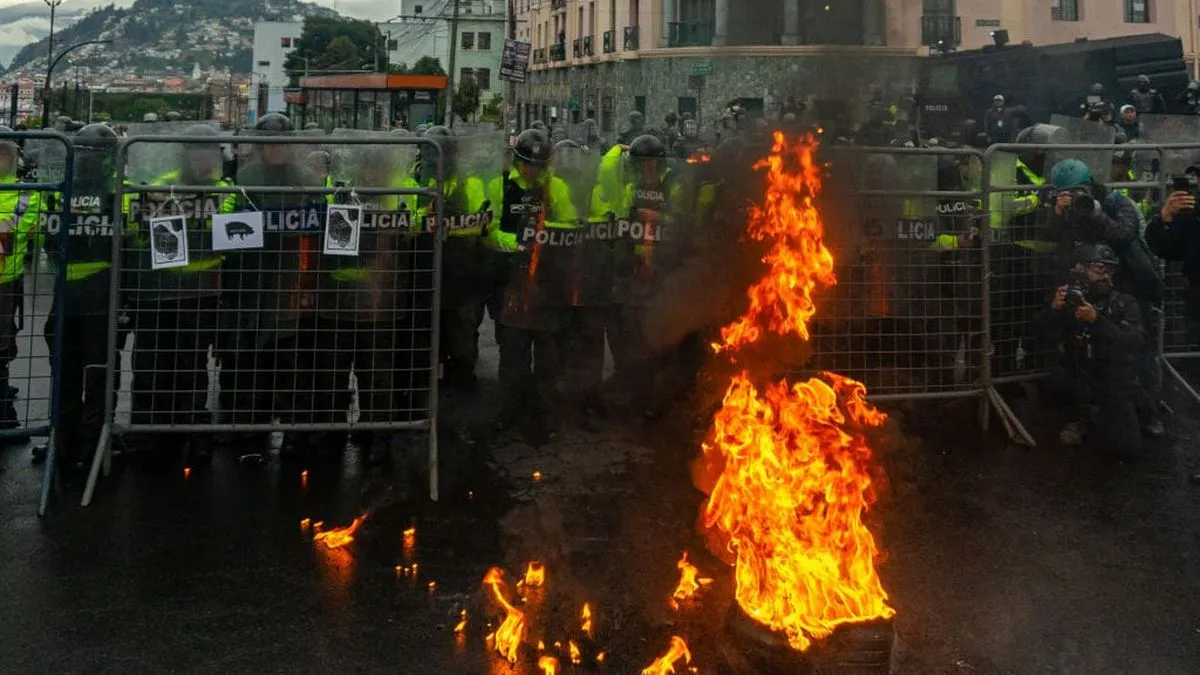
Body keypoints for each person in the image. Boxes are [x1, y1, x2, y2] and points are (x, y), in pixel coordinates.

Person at [218, 112, 325, 458]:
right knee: (250, 360)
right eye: (269, 142)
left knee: (291, 362)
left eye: (280, 142)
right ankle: (250, 428)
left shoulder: (307, 180)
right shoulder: (244, 179)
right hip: (251, 280)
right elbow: (227, 222)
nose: (275, 148)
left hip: (290, 279)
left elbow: (319, 222)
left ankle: (295, 430)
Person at [126, 124, 229, 463]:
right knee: (151, 362)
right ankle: (147, 433)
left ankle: (192, 428)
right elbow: (137, 232)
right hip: (160, 291)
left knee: (192, 365)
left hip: (201, 293)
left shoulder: (226, 190)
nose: (206, 159)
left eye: (211, 152)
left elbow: (234, 231)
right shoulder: (159, 188)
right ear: (186, 154)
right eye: (199, 152)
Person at [1046, 158, 1165, 437]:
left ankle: (1150, 412)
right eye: (1068, 192)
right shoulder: (1069, 210)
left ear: (1089, 185)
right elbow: (1057, 245)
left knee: (1140, 350)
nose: (1074, 196)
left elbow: (1124, 236)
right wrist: (1059, 215)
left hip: (1130, 283)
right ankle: (1096, 413)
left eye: (1078, 190)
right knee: (1090, 351)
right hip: (1096, 286)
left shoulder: (1115, 202)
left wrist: (1095, 212)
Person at [484, 129, 578, 443]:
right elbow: (489, 229)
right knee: (513, 356)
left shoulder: (557, 188)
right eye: (526, 164)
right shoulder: (500, 185)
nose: (530, 171)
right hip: (512, 282)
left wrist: (545, 239)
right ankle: (509, 411)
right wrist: (518, 243)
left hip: (548, 285)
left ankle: (545, 415)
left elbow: (571, 227)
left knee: (549, 358)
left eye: (536, 165)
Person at [41, 123, 125, 471]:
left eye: (96, 154)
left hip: (100, 287)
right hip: (67, 290)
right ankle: (65, 436)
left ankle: (93, 438)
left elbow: (129, 237)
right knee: (66, 365)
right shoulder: (62, 188)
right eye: (86, 153)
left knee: (98, 368)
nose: (90, 159)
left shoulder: (118, 190)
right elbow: (46, 234)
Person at [1034, 243, 1145, 454]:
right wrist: (1053, 310)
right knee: (1056, 381)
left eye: (1109, 269)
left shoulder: (1122, 302)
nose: (1105, 275)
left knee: (1128, 448)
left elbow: (1134, 342)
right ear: (1080, 269)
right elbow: (1039, 334)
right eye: (1099, 268)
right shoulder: (1068, 298)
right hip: (1076, 369)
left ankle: (1134, 411)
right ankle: (1077, 416)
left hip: (1110, 375)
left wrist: (1097, 320)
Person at [0, 136, 39, 441]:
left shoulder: (27, 194)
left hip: (5, 282)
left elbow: (20, 228)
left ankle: (4, 412)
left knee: (3, 344)